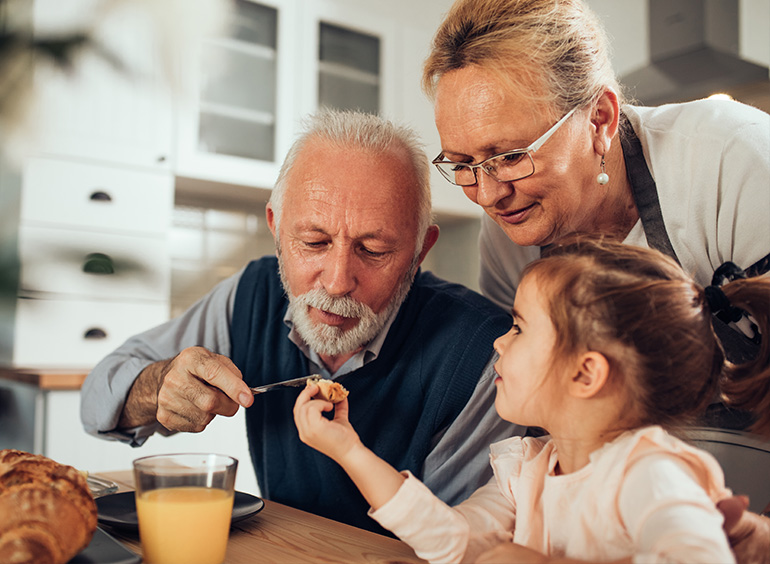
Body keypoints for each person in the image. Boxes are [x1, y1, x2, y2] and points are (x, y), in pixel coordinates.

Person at [79, 109, 522, 534]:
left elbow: (455, 545)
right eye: (313, 241)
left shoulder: (484, 356)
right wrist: (156, 386)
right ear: (275, 227)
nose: (336, 282)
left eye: (373, 251)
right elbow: (96, 401)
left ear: (420, 251)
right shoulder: (250, 296)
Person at [294, 235, 770, 563]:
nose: (499, 342)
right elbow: (455, 541)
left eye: (519, 327)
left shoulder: (650, 472)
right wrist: (348, 449)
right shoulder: (528, 469)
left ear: (585, 373)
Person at [422, 0, 770, 371]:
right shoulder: (507, 239)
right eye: (463, 164)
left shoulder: (728, 157)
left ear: (599, 120)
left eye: (510, 157)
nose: (489, 197)